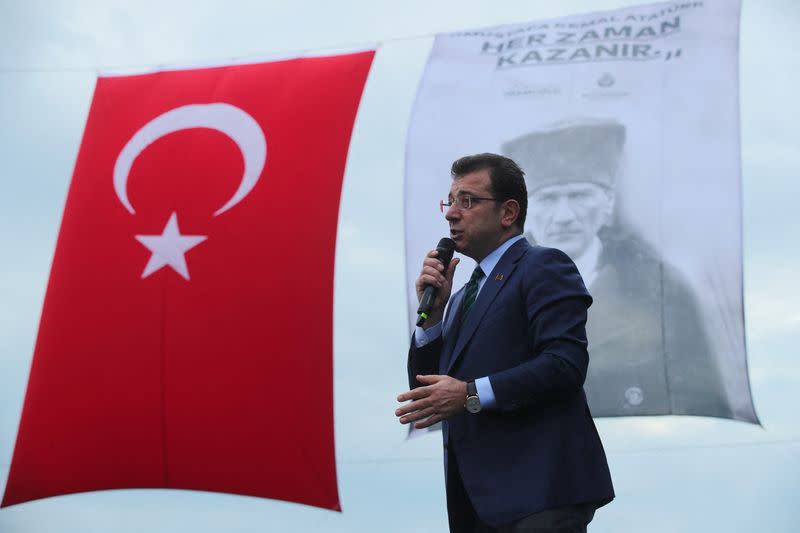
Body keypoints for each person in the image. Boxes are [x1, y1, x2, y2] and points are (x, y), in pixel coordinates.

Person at [396, 153, 613, 532]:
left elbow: (565, 364)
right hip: (476, 504)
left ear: (508, 212)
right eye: (450, 201)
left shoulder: (543, 266)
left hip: (539, 494)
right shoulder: (461, 297)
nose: (451, 214)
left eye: (467, 201)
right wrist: (431, 315)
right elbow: (427, 393)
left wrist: (468, 395)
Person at [502, 118, 732, 418]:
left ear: (608, 202)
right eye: (547, 199)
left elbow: (700, 397)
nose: (564, 217)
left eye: (580, 196)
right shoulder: (496, 293)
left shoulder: (661, 290)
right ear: (524, 212)